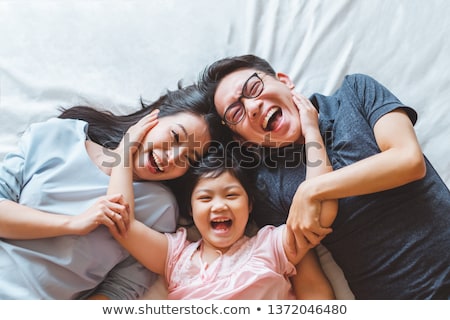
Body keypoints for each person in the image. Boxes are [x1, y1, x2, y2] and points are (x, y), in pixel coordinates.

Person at [197, 54, 450, 299]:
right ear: (242, 141)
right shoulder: (267, 189)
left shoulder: (356, 92)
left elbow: (408, 160)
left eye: (254, 87)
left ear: (284, 81)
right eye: (235, 113)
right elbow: (311, 284)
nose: (252, 107)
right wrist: (311, 136)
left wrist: (311, 190)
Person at [0, 84, 225, 299]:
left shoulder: (159, 207)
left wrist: (122, 160)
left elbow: (121, 291)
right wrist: (72, 224)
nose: (173, 157)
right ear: (154, 117)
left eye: (188, 158)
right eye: (175, 137)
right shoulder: (58, 134)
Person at [105, 95, 337, 299]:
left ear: (250, 205)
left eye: (232, 195)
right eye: (205, 198)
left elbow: (320, 209)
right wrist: (125, 151)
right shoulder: (176, 257)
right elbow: (121, 220)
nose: (219, 206)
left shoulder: (271, 247)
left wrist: (311, 133)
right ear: (190, 210)